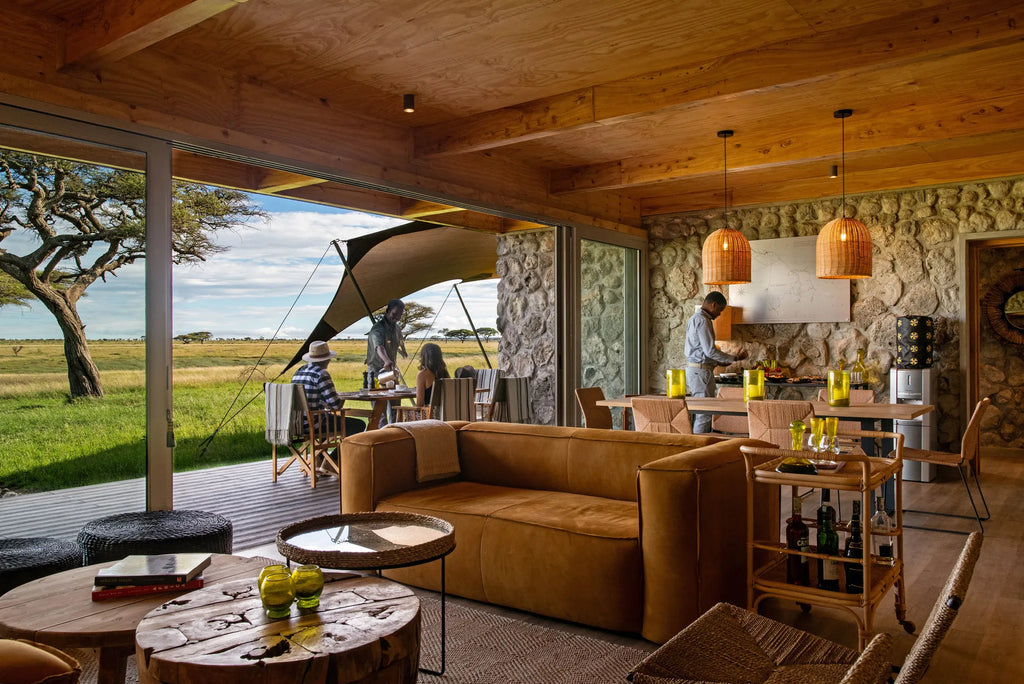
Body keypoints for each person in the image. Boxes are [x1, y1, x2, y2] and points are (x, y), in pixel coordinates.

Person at [291, 340, 365, 472]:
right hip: (313, 424)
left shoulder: (299, 372)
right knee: (358, 425)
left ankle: (318, 460)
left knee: (327, 418)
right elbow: (335, 405)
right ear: (326, 360)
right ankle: (332, 461)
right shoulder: (321, 374)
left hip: (295, 423)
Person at [684, 291, 748, 433]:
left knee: (701, 412)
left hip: (695, 370)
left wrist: (718, 363)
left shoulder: (694, 318)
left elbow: (699, 351)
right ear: (714, 305)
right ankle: (700, 449)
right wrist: (734, 358)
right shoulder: (703, 321)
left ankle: (700, 447)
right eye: (719, 311)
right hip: (701, 372)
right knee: (704, 414)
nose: (719, 315)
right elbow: (709, 351)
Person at [366, 299, 407, 385]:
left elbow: (399, 343)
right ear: (388, 311)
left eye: (399, 315)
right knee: (379, 397)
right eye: (394, 314)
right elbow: (379, 347)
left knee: (395, 397)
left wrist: (403, 352)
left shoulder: (397, 328)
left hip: (391, 370)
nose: (397, 318)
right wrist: (386, 360)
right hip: (377, 371)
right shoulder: (377, 328)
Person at [414, 342, 450, 407]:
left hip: (429, 414)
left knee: (404, 414)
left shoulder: (422, 374)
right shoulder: (445, 373)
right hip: (446, 413)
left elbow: (420, 404)